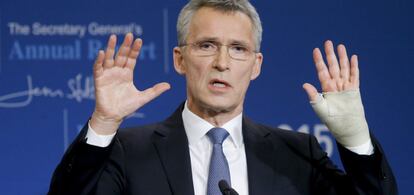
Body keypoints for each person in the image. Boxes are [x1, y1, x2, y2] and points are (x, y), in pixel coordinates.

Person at [48, 0, 397, 194]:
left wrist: (356, 141)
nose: (222, 63)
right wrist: (104, 123)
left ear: (256, 65)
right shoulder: (128, 151)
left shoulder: (297, 154)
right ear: (179, 59)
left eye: (238, 49)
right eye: (206, 46)